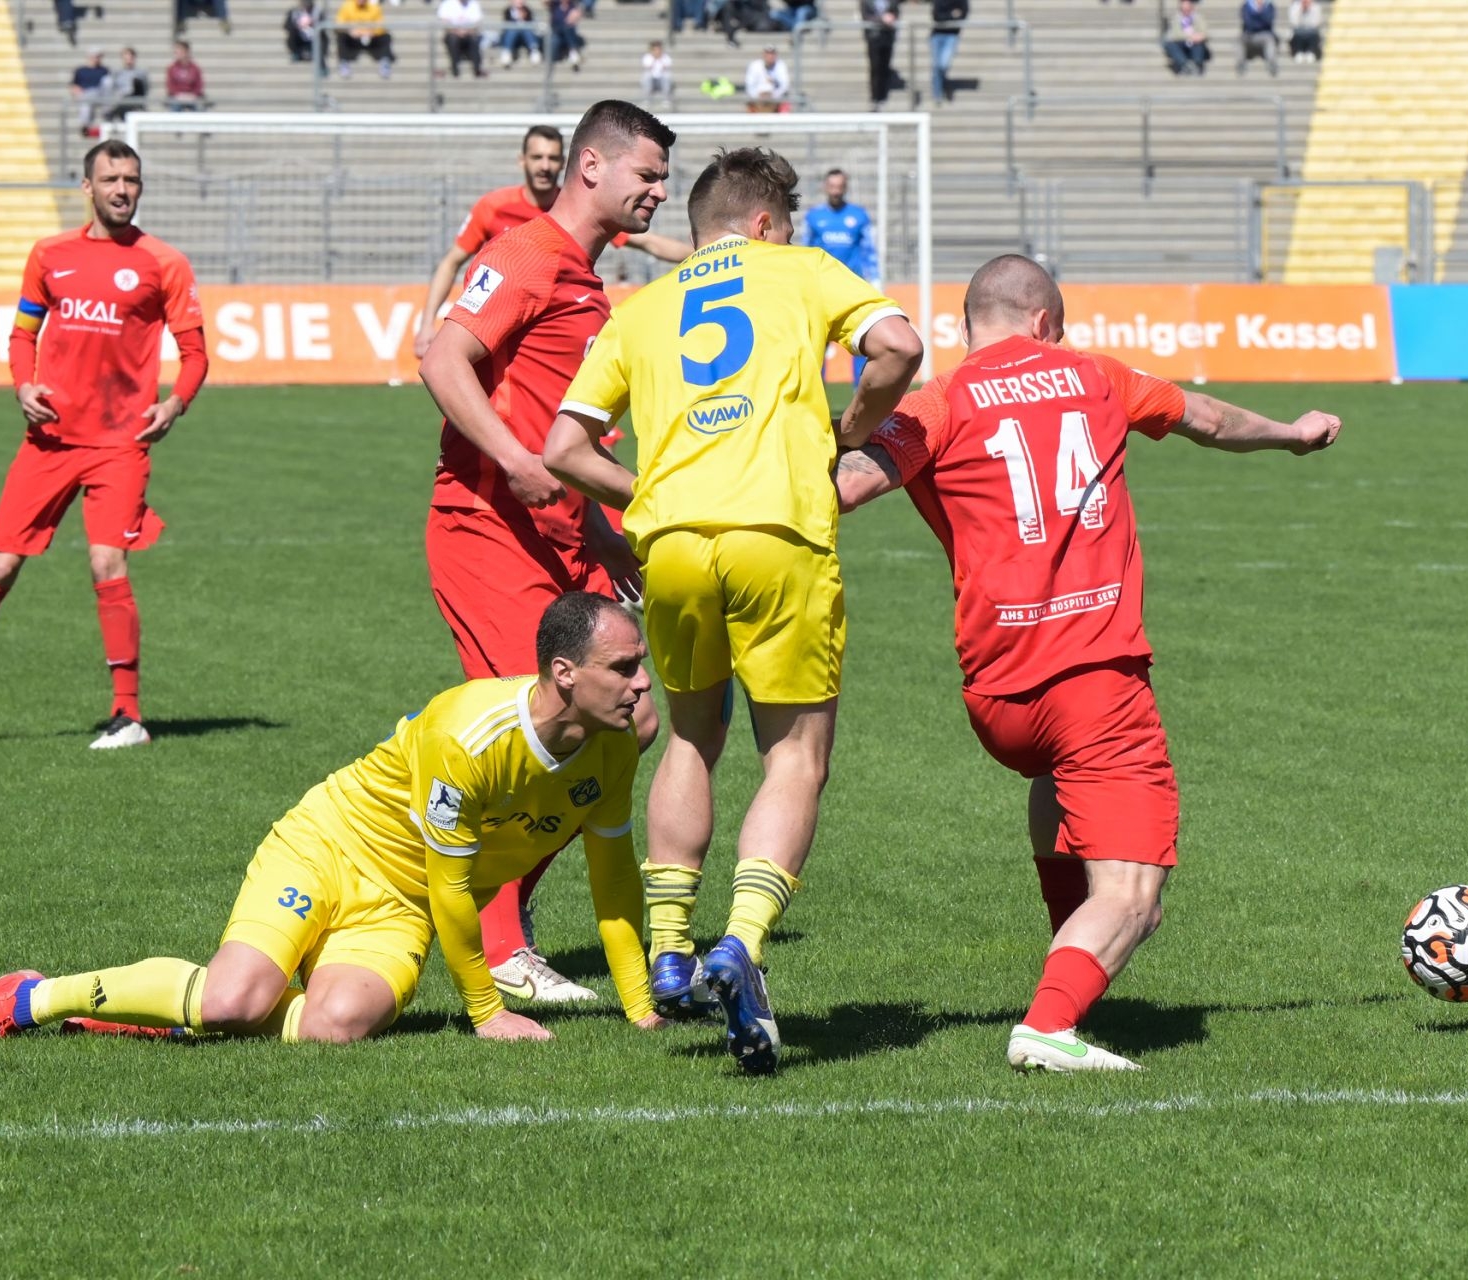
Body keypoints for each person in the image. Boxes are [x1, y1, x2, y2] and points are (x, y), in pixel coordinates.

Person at [832, 255, 1340, 1072]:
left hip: (998, 696)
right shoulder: (1098, 375)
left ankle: (1070, 933)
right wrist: (1292, 433)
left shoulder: (937, 403)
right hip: (1095, 684)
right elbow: (1210, 418)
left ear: (968, 325)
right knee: (1136, 897)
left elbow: (848, 487)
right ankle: (1049, 1023)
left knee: (1054, 776)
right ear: (1045, 323)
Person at [543, 147, 923, 1073]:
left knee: (690, 736)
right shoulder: (800, 268)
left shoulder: (642, 308)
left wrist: (649, 498)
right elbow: (900, 347)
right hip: (775, 528)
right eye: (782, 226)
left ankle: (671, 945)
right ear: (763, 224)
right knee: (794, 754)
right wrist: (852, 430)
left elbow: (563, 448)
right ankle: (741, 943)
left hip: (672, 543)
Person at [0, 594, 667, 1047]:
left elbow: (612, 880)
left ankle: (162, 1010)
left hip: (402, 905)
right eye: (624, 668)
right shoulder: (466, 735)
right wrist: (486, 1012)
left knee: (335, 1027)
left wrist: (639, 1010)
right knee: (233, 1001)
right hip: (330, 846)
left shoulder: (615, 748)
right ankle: (31, 998)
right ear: (564, 673)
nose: (642, 686)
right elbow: (453, 884)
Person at [417, 103, 677, 1005]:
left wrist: (597, 527)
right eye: (647, 174)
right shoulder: (528, 253)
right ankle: (496, 943)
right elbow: (444, 360)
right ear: (592, 165)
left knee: (629, 722)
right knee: (544, 727)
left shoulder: (587, 282)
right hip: (486, 527)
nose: (658, 191)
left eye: (664, 179)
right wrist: (514, 460)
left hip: (561, 537)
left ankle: (492, 907)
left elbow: (558, 427)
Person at [0, 141, 207, 752]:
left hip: (120, 443)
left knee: (108, 563)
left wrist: (175, 404)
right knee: (0, 566)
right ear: (87, 187)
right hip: (49, 441)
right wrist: (22, 385)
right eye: (110, 179)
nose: (122, 189)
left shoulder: (165, 263)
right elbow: (22, 334)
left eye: (131, 179)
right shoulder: (50, 254)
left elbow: (195, 353)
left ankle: (128, 716)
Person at [414, 126, 688, 360]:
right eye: (537, 157)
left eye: (553, 158)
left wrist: (706, 251)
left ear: (564, 162)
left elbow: (649, 243)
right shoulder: (493, 208)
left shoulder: (578, 211)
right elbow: (451, 263)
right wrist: (427, 323)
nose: (545, 166)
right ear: (522, 161)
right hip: (494, 333)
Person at [799, 168, 879, 379]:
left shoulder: (858, 216)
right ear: (825, 187)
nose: (836, 191)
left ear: (845, 188)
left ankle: (860, 391)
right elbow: (805, 250)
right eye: (832, 186)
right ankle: (817, 392)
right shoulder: (814, 217)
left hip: (852, 287)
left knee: (861, 339)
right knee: (817, 342)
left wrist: (875, 277)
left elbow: (868, 249)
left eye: (840, 186)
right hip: (822, 289)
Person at [335, 0, 394, 77]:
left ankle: (384, 63)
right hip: (353, 38)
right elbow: (339, 24)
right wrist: (350, 31)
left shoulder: (374, 7)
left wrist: (372, 32)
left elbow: (381, 26)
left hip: (370, 37)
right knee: (342, 36)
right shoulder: (347, 6)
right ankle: (344, 62)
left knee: (386, 37)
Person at [859, 0, 900, 108]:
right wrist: (881, 19)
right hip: (874, 37)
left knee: (885, 66)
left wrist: (892, 18)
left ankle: (882, 95)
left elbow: (896, 12)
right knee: (875, 67)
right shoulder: (866, 2)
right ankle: (875, 96)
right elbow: (865, 16)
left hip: (888, 36)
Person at [438, 0, 488, 77]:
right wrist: (457, 31)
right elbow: (444, 22)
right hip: (453, 33)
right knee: (453, 40)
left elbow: (477, 23)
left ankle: (477, 69)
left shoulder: (474, 4)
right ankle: (455, 68)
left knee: (474, 40)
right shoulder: (447, 4)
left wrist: (466, 31)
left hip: (469, 34)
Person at [70, 49, 114, 135]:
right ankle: (85, 126)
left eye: (98, 57)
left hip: (100, 93)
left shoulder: (104, 70)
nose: (96, 59)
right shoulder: (81, 70)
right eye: (95, 56)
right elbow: (74, 86)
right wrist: (77, 91)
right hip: (86, 94)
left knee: (108, 81)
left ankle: (107, 113)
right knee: (85, 103)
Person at [930, 0, 966, 104]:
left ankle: (943, 85)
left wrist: (947, 16)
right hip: (937, 34)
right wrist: (952, 15)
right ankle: (937, 93)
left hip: (952, 35)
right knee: (937, 65)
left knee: (943, 64)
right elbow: (936, 15)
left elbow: (964, 13)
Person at [1162, 0, 1210, 75]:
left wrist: (1199, 36)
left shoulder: (1198, 18)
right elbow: (1175, 34)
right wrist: (1191, 36)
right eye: (1183, 9)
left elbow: (1204, 32)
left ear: (1192, 8)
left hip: (1195, 43)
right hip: (1181, 43)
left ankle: (1196, 65)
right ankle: (1184, 65)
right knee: (1170, 44)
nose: (1186, 11)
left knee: (1199, 44)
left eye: (1188, 9)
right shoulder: (1176, 19)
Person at [745, 44, 792, 111]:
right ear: (763, 55)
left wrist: (773, 95)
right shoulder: (755, 65)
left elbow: (784, 85)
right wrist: (758, 96)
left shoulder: (781, 65)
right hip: (758, 99)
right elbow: (749, 85)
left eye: (772, 54)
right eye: (768, 54)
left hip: (775, 98)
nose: (770, 56)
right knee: (750, 104)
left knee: (785, 103)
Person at [107, 47, 148, 122]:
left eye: (131, 58)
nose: (129, 60)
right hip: (121, 100)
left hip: (135, 99)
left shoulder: (141, 73)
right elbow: (113, 89)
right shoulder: (117, 73)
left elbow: (144, 89)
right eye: (126, 58)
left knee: (136, 82)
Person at [1238, 0, 1277, 76]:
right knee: (1240, 40)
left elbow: (1268, 20)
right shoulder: (1247, 6)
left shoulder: (1269, 6)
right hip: (1250, 34)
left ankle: (1272, 64)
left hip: (1265, 34)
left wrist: (1256, 17)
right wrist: (1260, 17)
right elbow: (1247, 22)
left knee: (1270, 40)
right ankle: (1241, 65)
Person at [165, 40, 207, 110]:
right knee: (175, 107)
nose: (176, 54)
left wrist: (193, 95)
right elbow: (170, 85)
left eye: (179, 52)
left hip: (192, 97)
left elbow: (199, 85)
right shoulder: (172, 68)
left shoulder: (195, 68)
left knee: (199, 109)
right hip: (177, 97)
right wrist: (178, 95)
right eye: (175, 52)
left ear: (186, 52)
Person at [501, 0, 544, 67]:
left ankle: (534, 50)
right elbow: (507, 25)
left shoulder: (528, 10)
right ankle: (507, 52)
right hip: (513, 36)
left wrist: (523, 19)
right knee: (512, 30)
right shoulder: (508, 11)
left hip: (525, 37)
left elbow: (531, 24)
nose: (519, 1)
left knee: (527, 30)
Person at [639, 38, 673, 104]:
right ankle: (647, 99)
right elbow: (648, 67)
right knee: (647, 76)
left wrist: (660, 59)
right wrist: (654, 59)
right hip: (651, 80)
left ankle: (666, 99)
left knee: (667, 76)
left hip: (661, 80)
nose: (657, 51)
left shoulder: (666, 57)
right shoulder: (647, 57)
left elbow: (666, 67)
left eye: (659, 49)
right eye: (655, 50)